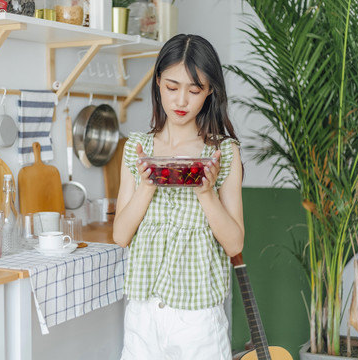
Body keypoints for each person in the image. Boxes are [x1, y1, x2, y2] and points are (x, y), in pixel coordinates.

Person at [113, 34, 245, 360]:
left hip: (198, 316)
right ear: (157, 82)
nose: (181, 100)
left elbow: (235, 245)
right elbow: (120, 235)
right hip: (143, 311)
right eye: (172, 87)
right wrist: (146, 186)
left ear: (210, 90)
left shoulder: (224, 153)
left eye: (195, 90)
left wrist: (206, 193)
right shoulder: (136, 148)